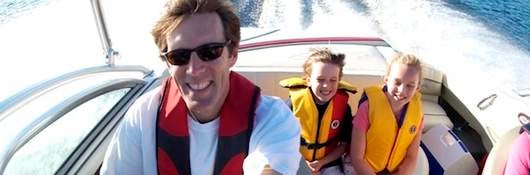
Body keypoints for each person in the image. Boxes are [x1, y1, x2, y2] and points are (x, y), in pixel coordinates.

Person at [100, 0, 301, 174]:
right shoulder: (143, 116)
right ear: (168, 64)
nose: (194, 69)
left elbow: (268, 167)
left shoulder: (272, 119)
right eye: (179, 56)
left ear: (232, 54)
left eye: (210, 51)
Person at [280, 48, 356, 175]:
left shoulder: (344, 109)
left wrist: (321, 163)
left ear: (339, 81)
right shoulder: (291, 106)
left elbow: (343, 145)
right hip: (295, 161)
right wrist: (304, 164)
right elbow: (280, 143)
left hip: (329, 162)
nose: (326, 85)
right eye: (320, 79)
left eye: (333, 80)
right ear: (308, 80)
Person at [350, 52, 424, 175]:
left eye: (410, 86)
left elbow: (411, 156)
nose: (401, 90)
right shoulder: (367, 108)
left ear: (417, 88)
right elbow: (357, 158)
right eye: (397, 82)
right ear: (386, 79)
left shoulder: (418, 115)